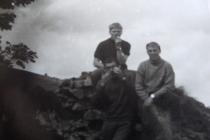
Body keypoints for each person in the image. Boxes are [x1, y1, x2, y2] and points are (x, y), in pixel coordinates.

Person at [135, 42, 175, 140]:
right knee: (146, 123)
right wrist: (146, 98)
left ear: (159, 51)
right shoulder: (143, 65)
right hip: (145, 97)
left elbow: (169, 85)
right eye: (150, 51)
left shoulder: (167, 66)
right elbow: (138, 85)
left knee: (163, 124)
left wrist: (152, 97)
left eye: (155, 50)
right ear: (147, 52)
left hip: (161, 97)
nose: (152, 53)